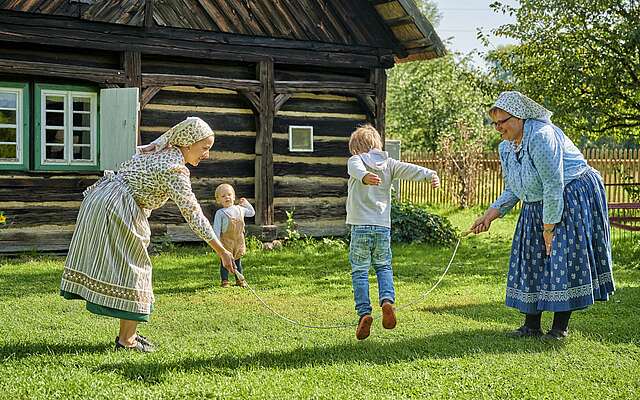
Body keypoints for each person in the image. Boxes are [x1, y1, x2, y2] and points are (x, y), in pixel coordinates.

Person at [60, 116, 235, 352]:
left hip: (105, 198)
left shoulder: (162, 149)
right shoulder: (174, 169)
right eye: (204, 148)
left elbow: (171, 133)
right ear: (188, 143)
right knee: (136, 268)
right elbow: (193, 214)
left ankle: (128, 335)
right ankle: (127, 341)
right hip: (117, 206)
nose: (206, 154)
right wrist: (222, 251)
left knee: (131, 267)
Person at [468, 91, 615, 339]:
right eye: (494, 123)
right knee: (531, 255)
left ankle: (559, 329)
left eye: (501, 122)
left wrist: (549, 229)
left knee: (560, 254)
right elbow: (515, 187)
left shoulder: (541, 137)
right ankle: (531, 326)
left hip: (572, 191)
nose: (497, 128)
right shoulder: (506, 147)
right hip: (538, 199)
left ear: (519, 117)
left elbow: (553, 185)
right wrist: (490, 215)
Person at [346, 124, 440, 340]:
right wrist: (430, 175)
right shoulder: (389, 164)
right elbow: (410, 169)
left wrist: (364, 177)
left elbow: (355, 169)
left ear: (356, 148)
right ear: (377, 145)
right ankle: (387, 301)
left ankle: (364, 313)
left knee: (360, 271)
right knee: (383, 267)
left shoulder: (356, 160)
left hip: (360, 227)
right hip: (382, 227)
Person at [212, 183, 255, 288]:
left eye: (229, 194)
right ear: (218, 200)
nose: (227, 197)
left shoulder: (240, 209)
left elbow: (252, 213)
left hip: (238, 241)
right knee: (225, 261)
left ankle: (239, 280)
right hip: (226, 242)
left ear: (234, 196)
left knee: (238, 261)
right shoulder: (220, 213)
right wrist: (217, 244)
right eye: (223, 196)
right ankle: (225, 281)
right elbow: (216, 230)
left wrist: (246, 203)